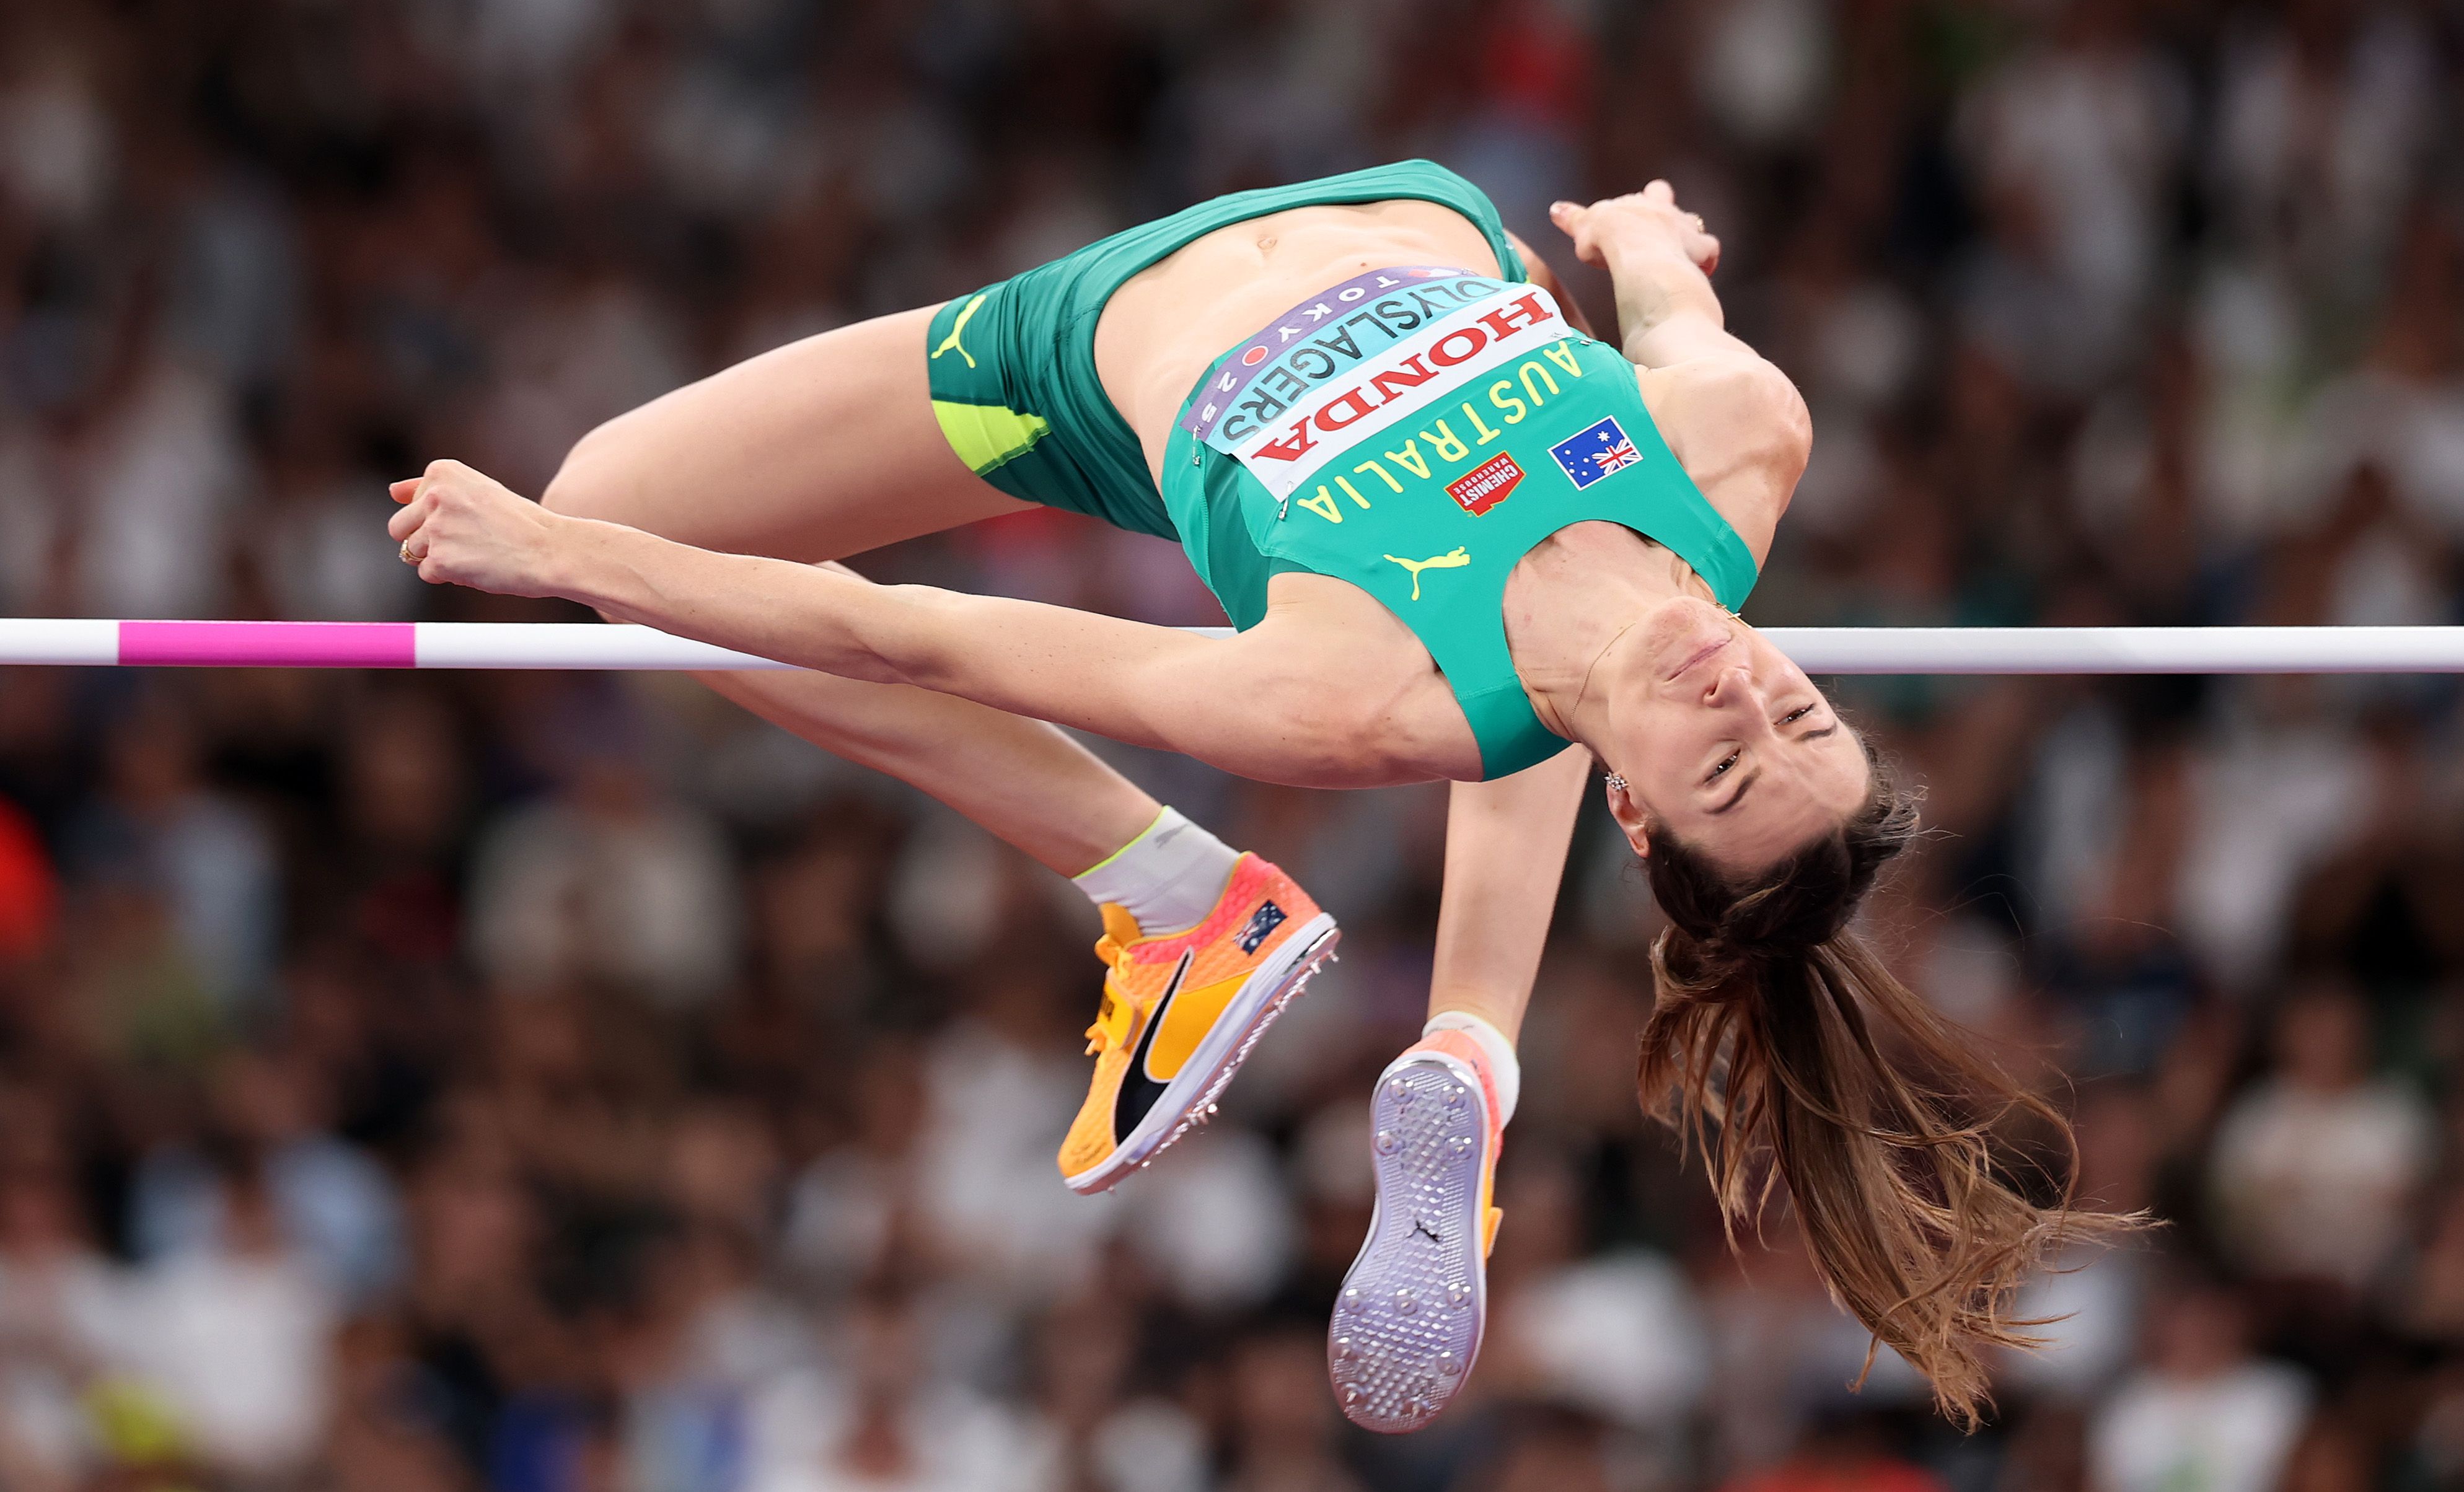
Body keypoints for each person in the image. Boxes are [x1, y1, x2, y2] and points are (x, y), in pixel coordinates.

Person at [385, 163, 2120, 1430]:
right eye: (1794, 703)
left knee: (626, 509)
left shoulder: (1347, 688)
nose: (1737, 687)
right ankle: (1469, 1053)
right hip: (1423, 218)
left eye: (1728, 760)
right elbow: (1686, 330)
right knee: (1538, 674)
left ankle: (1173, 889)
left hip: (1072, 357)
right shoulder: (1738, 445)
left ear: (1638, 815)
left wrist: (556, 549)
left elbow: (901, 630)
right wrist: (1654, 252)